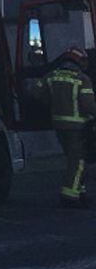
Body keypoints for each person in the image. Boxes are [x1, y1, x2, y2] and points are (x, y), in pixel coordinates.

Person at [45, 47, 96, 208]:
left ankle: (79, 192)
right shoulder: (82, 79)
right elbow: (89, 106)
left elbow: (36, 93)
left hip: (59, 125)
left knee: (73, 160)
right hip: (78, 127)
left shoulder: (51, 76)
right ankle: (70, 197)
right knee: (78, 162)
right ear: (78, 61)